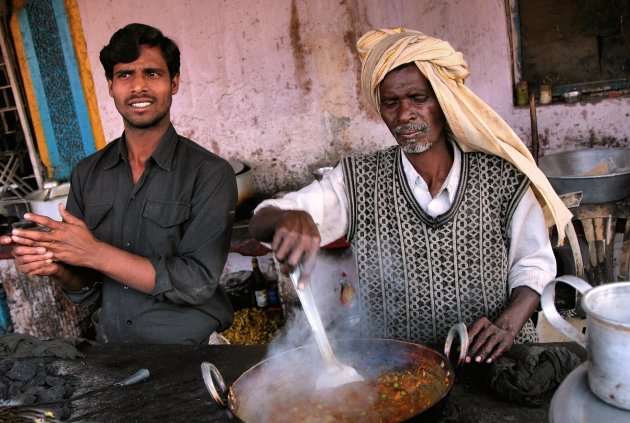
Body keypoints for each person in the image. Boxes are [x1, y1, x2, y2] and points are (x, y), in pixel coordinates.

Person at [249, 28, 573, 364]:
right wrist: (286, 218)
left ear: (444, 99)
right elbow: (264, 219)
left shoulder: (501, 177)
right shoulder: (357, 180)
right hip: (395, 369)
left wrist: (508, 325)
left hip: (494, 362)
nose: (405, 115)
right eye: (391, 103)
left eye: (419, 98)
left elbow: (533, 264)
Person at [0, 23, 237, 344]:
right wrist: (57, 267)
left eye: (152, 73)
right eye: (125, 75)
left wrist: (95, 252)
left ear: (174, 83)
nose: (139, 86)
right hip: (116, 349)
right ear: (111, 86)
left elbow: (197, 282)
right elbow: (89, 290)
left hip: (190, 349)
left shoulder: (209, 173)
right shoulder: (88, 173)